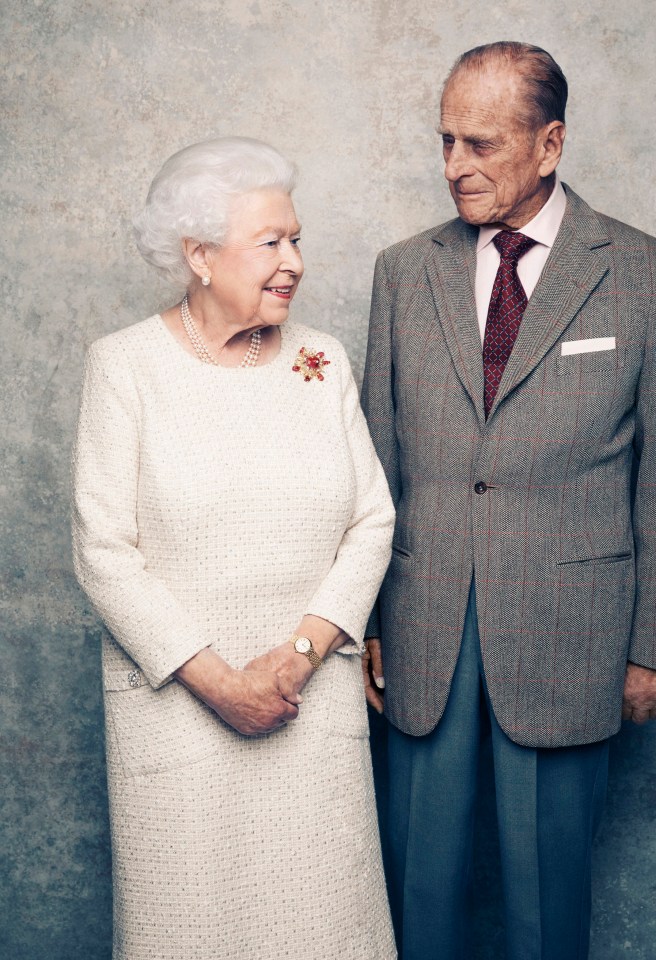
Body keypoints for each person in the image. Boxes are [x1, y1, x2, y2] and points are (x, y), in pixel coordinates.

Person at [361, 42, 656, 960]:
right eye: (445, 142)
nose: (453, 167)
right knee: (417, 887)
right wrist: (367, 621)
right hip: (424, 621)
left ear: (550, 145)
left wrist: (653, 647)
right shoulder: (403, 273)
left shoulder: (648, 274)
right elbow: (376, 463)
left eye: (480, 145)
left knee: (548, 902)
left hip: (574, 633)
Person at [72, 136, 397, 960]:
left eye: (296, 239)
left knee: (325, 933)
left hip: (307, 707)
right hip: (178, 720)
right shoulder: (126, 368)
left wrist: (295, 658)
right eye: (270, 242)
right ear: (199, 255)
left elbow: (372, 520)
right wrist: (220, 685)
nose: (292, 261)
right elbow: (104, 550)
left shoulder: (323, 360)